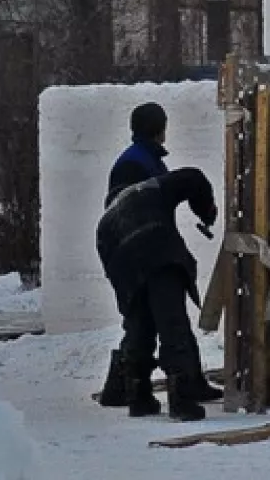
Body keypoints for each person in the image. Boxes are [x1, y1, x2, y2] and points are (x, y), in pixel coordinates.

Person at [95, 103, 223, 409]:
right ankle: (183, 395)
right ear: (160, 129)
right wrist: (208, 213)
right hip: (147, 246)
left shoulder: (138, 160)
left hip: (116, 250)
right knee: (171, 317)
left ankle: (136, 395)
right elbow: (192, 179)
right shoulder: (137, 165)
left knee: (142, 318)